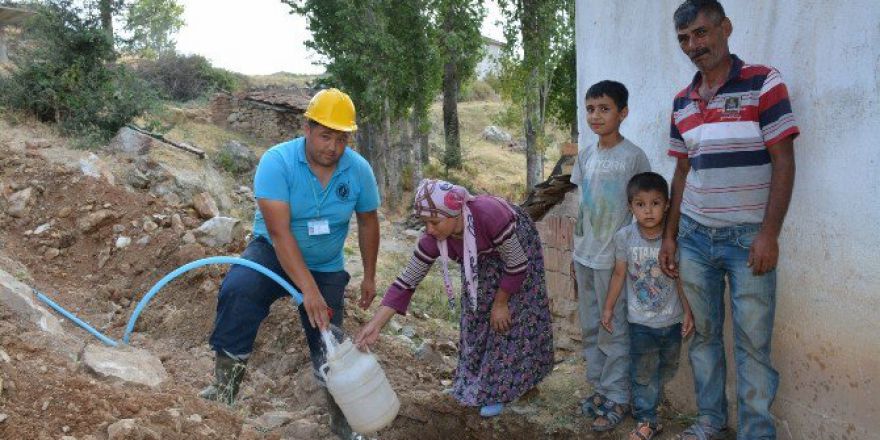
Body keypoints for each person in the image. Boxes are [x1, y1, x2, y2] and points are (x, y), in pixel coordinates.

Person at [200, 88, 381, 439]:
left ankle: (343, 423)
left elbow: (369, 221)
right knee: (240, 290)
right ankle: (224, 391)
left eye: (341, 138)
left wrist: (370, 275)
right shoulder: (277, 162)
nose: (333, 146)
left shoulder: (358, 171)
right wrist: (307, 290)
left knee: (330, 338)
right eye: (325, 135)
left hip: (326, 262)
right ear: (307, 128)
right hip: (273, 250)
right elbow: (280, 233)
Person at [659, 1, 799, 439]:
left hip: (747, 242)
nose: (693, 45)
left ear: (726, 29)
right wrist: (671, 235)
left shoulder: (763, 82)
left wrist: (768, 234)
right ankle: (710, 423)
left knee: (753, 346)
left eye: (701, 33)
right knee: (702, 338)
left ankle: (756, 432)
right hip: (696, 238)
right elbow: (682, 171)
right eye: (684, 38)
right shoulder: (682, 102)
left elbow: (783, 161)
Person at [355, 179, 554, 418]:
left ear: (455, 212)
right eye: (424, 222)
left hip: (516, 249)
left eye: (434, 222)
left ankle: (504, 389)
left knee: (510, 317)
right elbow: (407, 280)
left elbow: (517, 264)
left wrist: (501, 303)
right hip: (480, 255)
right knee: (476, 312)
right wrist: (375, 325)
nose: (429, 229)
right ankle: (471, 384)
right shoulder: (435, 237)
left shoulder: (490, 216)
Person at [571, 80, 651, 431]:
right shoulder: (586, 155)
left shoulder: (633, 157)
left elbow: (644, 207)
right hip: (584, 256)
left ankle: (619, 396)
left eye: (604, 109)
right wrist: (576, 250)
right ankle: (601, 389)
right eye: (590, 109)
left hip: (612, 262)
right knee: (590, 325)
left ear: (623, 113)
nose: (596, 116)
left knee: (613, 328)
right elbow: (581, 203)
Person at [600, 172, 695, 440]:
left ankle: (650, 409)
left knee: (667, 367)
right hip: (640, 322)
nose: (648, 210)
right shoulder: (625, 238)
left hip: (672, 320)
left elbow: (680, 278)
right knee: (643, 372)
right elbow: (619, 274)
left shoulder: (673, 239)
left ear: (667, 205)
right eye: (640, 204)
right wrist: (608, 308)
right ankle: (645, 419)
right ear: (630, 207)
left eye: (655, 203)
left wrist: (688, 311)